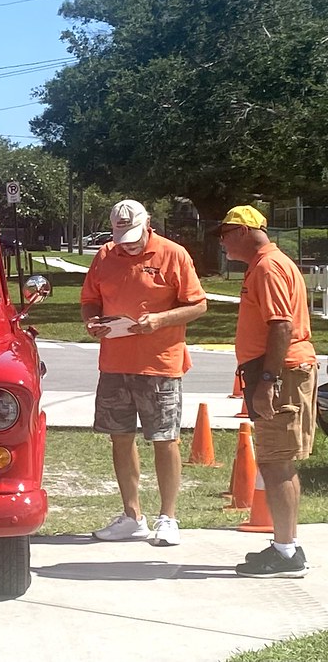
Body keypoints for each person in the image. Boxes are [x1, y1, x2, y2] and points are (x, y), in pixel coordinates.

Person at [81, 199, 207, 546]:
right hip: (114, 364)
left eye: (135, 235)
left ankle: (169, 517)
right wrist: (92, 321)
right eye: (123, 236)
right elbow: (90, 298)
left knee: (165, 439)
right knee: (120, 438)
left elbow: (198, 304)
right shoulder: (105, 255)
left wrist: (160, 321)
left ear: (148, 224)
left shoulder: (173, 254)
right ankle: (132, 515)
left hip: (160, 363)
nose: (129, 243)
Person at [218, 205, 316, 578]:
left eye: (225, 232)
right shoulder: (264, 265)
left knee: (277, 462)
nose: (223, 241)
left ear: (242, 231)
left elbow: (280, 325)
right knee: (276, 461)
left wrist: (268, 382)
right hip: (276, 370)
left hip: (281, 372)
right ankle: (284, 544)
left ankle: (287, 552)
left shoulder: (268, 267)